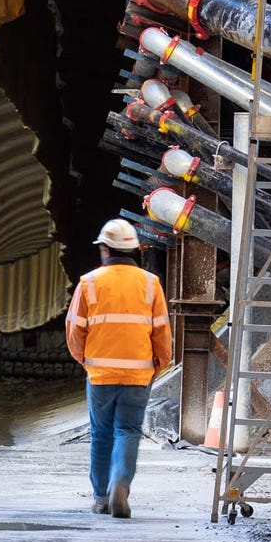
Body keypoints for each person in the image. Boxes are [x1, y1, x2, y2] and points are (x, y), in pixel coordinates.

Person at [64, 219, 172, 518]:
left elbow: (74, 330)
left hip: (100, 375)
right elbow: (162, 332)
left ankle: (101, 497)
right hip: (139, 374)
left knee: (101, 435)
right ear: (134, 250)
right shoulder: (151, 284)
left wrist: (85, 360)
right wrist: (158, 365)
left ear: (105, 249)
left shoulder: (89, 283)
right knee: (128, 431)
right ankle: (120, 485)